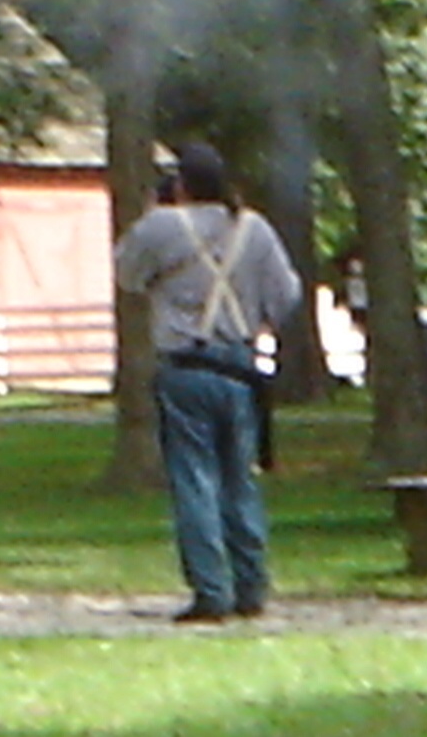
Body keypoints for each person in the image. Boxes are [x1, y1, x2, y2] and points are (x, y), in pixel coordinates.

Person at [115, 142, 302, 623]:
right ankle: (251, 586)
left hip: (185, 368)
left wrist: (151, 216)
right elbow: (286, 295)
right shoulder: (254, 228)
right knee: (240, 479)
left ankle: (210, 591)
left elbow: (128, 276)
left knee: (195, 479)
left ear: (180, 184)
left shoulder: (162, 225)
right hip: (239, 366)